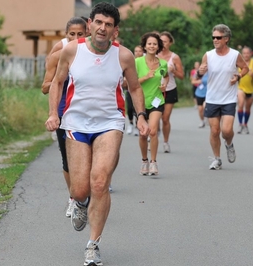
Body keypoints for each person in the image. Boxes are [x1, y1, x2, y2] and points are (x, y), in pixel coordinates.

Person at [45, 3, 149, 265]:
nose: (103, 28)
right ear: (89, 23)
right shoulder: (71, 50)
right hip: (76, 124)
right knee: (80, 190)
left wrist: (141, 116)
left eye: (109, 24)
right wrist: (54, 115)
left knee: (100, 182)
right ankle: (79, 203)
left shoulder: (123, 56)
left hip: (109, 123)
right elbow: (57, 82)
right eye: (99, 22)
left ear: (115, 30)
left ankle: (93, 244)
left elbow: (135, 88)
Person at [41, 17, 87, 217]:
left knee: (89, 159)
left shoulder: (95, 54)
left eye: (80, 34)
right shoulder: (57, 56)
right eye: (72, 34)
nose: (76, 38)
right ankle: (74, 198)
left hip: (87, 112)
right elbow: (45, 86)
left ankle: (86, 196)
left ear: (88, 34)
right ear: (66, 35)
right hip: (64, 112)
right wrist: (58, 83)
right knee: (68, 159)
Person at [197, 24, 249, 170]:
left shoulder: (234, 55)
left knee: (226, 131)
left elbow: (245, 68)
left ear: (226, 39)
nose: (215, 40)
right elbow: (200, 72)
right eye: (213, 37)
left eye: (218, 37)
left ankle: (229, 144)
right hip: (212, 98)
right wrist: (200, 71)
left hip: (229, 98)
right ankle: (217, 159)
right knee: (214, 131)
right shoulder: (208, 55)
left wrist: (238, 76)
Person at [136, 32, 169, 176]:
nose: (152, 46)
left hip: (157, 100)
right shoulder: (137, 62)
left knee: (153, 130)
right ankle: (144, 160)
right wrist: (145, 77)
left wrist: (164, 86)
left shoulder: (163, 63)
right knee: (143, 134)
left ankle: (154, 162)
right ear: (144, 46)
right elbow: (129, 84)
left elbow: (166, 77)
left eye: (155, 44)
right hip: (140, 102)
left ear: (158, 47)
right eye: (149, 43)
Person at [158, 31, 184, 153]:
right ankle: (152, 137)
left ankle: (165, 142)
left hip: (170, 90)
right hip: (155, 91)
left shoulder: (175, 57)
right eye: (161, 41)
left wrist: (173, 70)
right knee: (154, 117)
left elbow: (182, 76)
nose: (162, 43)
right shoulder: (154, 55)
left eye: (165, 41)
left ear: (170, 43)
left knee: (165, 118)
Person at [236, 46, 253, 134]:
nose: (246, 55)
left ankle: (245, 124)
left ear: (250, 54)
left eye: (248, 53)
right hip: (241, 88)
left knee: (247, 108)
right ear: (242, 54)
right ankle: (240, 125)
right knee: (240, 104)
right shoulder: (239, 62)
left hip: (250, 89)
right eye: (244, 53)